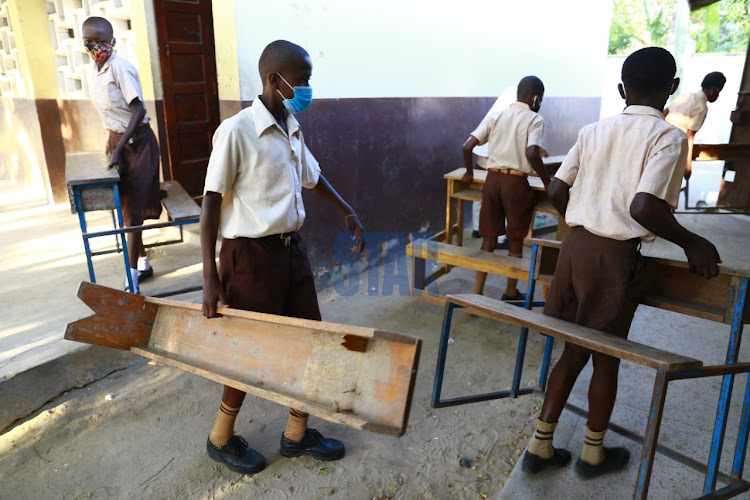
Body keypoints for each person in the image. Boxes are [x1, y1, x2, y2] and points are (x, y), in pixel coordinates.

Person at [522, 47, 721, 480]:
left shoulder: (594, 130)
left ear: (620, 90)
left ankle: (540, 446)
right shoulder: (667, 136)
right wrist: (693, 243)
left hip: (573, 250)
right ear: (672, 89)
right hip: (612, 259)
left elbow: (557, 190)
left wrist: (586, 214)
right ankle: (593, 454)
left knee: (573, 350)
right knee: (606, 357)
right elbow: (644, 207)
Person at [200, 40, 365, 475]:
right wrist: (210, 278)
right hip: (248, 258)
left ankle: (296, 433)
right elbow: (211, 203)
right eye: (303, 79)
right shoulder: (237, 132)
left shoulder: (291, 125)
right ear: (275, 79)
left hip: (291, 252)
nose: (308, 88)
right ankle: (220, 437)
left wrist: (346, 209)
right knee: (250, 351)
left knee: (309, 340)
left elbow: (312, 175)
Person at [82, 17, 160, 294]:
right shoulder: (94, 69)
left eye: (101, 41)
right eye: (89, 42)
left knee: (132, 214)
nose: (96, 47)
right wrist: (112, 140)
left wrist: (119, 147)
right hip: (119, 140)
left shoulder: (120, 68)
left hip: (138, 143)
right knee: (127, 207)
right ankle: (142, 263)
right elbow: (112, 112)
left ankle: (132, 281)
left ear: (113, 42)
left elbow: (137, 111)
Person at [461, 76, 551, 301]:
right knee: (515, 239)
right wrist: (547, 181)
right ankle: (510, 292)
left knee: (488, 239)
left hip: (492, 182)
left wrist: (469, 172)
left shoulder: (496, 116)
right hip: (515, 185)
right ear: (535, 97)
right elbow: (530, 153)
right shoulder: (535, 119)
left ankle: (477, 293)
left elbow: (468, 145)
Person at [664, 71, 726, 180]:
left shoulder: (685, 96)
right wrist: (687, 165)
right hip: (672, 150)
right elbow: (689, 136)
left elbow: (664, 113)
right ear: (713, 89)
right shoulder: (701, 107)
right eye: (718, 91)